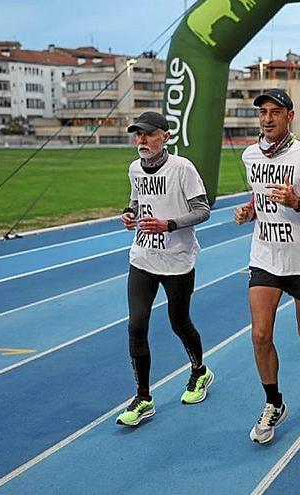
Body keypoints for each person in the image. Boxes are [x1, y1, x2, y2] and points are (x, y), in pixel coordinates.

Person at [234, 89, 300, 444]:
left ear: (289, 116)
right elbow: (259, 191)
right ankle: (273, 401)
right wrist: (251, 208)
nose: (267, 119)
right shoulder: (251, 155)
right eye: (263, 112)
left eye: (275, 112)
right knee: (260, 334)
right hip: (265, 256)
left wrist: (299, 203)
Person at [116, 111, 214, 427]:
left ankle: (199, 372)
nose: (140, 140)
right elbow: (135, 202)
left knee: (179, 321)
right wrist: (129, 215)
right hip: (142, 257)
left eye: (147, 134)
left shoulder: (182, 168)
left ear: (165, 136)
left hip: (177, 259)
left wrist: (169, 224)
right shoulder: (134, 169)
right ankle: (143, 396)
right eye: (137, 135)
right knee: (136, 325)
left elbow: (203, 211)